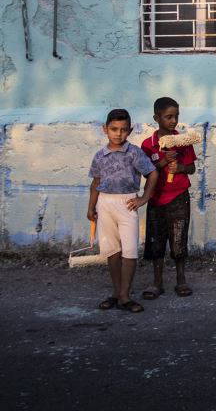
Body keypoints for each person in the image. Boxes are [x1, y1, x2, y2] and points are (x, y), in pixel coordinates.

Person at [87, 109, 158, 313]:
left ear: (130, 130)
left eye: (123, 129)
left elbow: (153, 173)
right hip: (105, 203)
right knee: (112, 250)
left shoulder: (134, 152)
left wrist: (143, 198)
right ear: (105, 129)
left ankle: (125, 296)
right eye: (114, 129)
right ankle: (117, 293)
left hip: (127, 203)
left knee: (129, 251)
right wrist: (91, 207)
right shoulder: (100, 156)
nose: (118, 134)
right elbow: (96, 182)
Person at [139, 97, 196, 300]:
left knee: (179, 240)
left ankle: (181, 279)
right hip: (156, 198)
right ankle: (157, 282)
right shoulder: (148, 145)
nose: (173, 121)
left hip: (179, 196)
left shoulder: (183, 142)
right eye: (168, 117)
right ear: (157, 118)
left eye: (176, 116)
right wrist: (163, 162)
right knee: (156, 241)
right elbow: (145, 172)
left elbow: (192, 168)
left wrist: (180, 167)